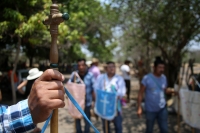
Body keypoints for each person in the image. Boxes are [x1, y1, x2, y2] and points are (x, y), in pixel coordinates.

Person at [0, 69, 65, 132]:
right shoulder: (41, 84)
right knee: (32, 124)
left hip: (27, 104)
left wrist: (24, 93)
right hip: (31, 106)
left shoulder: (28, 82)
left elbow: (19, 87)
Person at [137, 57, 178, 133]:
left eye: (163, 68)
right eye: (159, 67)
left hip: (162, 109)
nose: (162, 69)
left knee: (164, 130)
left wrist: (174, 92)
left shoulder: (164, 78)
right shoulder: (147, 78)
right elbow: (140, 93)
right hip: (150, 110)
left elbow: (164, 90)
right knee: (149, 130)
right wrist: (139, 107)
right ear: (154, 67)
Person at [95, 61, 126, 133]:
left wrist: (113, 97)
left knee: (118, 126)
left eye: (113, 67)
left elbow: (122, 92)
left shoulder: (119, 79)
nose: (112, 68)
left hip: (116, 107)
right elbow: (96, 89)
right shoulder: (101, 78)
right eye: (110, 67)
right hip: (104, 106)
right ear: (106, 68)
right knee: (105, 127)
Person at [69, 58, 95, 133]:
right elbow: (70, 87)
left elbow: (93, 89)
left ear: (85, 65)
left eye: (82, 65)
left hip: (87, 103)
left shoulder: (90, 76)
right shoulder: (74, 75)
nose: (81, 67)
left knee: (87, 121)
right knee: (77, 120)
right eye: (79, 65)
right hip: (77, 104)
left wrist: (94, 101)